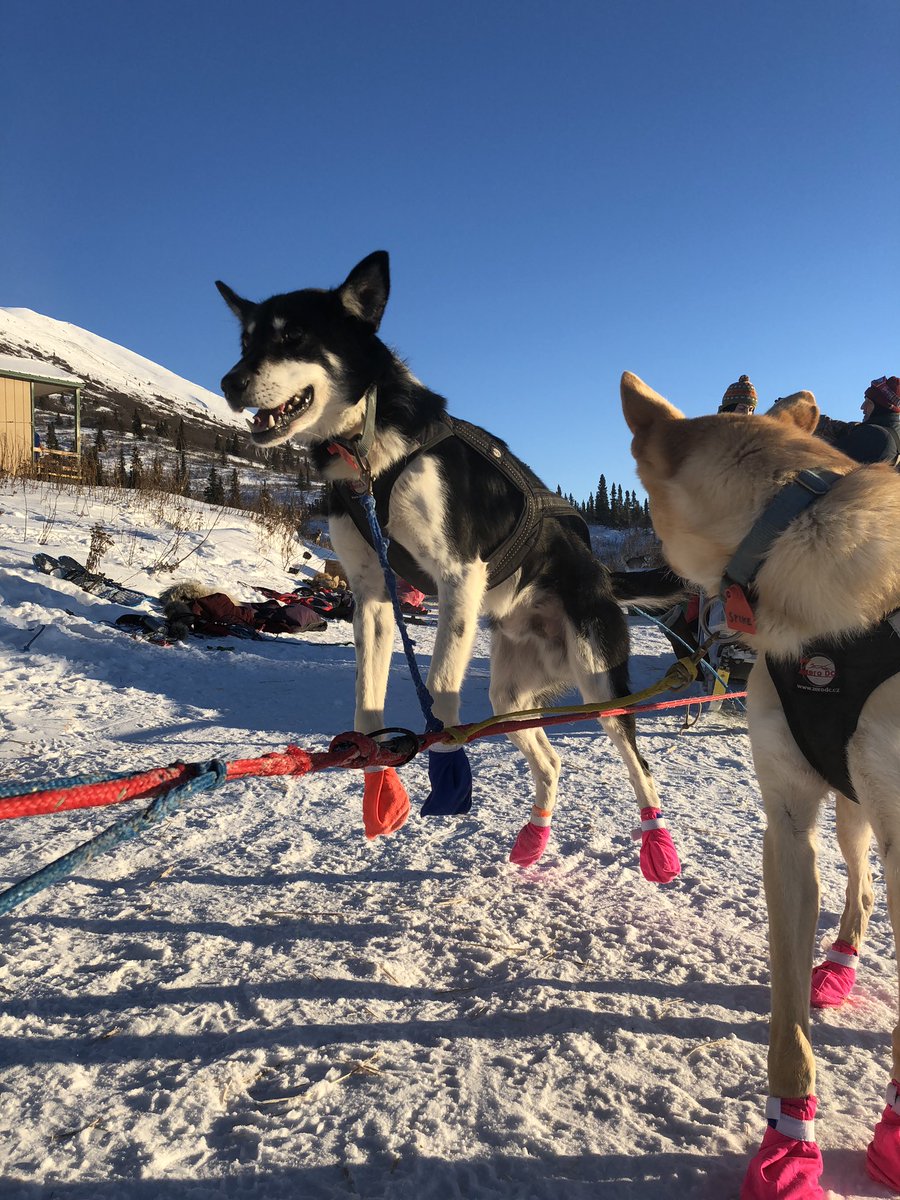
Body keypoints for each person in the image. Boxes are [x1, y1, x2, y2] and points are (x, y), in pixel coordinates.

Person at [816, 375, 900, 465]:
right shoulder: (895, 436)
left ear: (881, 408)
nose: (862, 407)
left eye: (868, 402)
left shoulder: (874, 435)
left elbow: (824, 460)